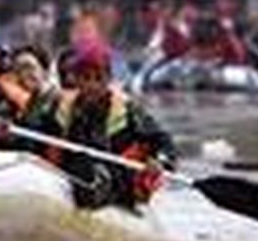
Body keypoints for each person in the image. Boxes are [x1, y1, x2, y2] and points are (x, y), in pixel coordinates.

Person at [46, 41, 176, 210]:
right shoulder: (61, 107)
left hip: (115, 179)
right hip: (71, 174)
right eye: (86, 78)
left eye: (98, 78)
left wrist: (160, 161)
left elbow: (163, 141)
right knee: (81, 167)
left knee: (87, 171)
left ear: (108, 79)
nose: (92, 86)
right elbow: (37, 138)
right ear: (76, 79)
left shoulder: (127, 110)